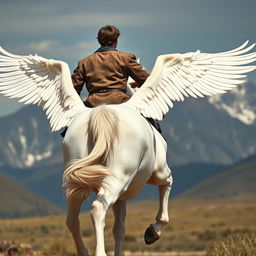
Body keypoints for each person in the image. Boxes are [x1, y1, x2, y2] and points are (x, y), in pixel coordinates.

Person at [71, 25, 149, 107]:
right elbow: (147, 80)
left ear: (99, 41)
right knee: (148, 117)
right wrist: (138, 84)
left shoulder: (84, 62)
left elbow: (73, 90)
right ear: (116, 41)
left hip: (92, 103)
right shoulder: (126, 58)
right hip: (120, 101)